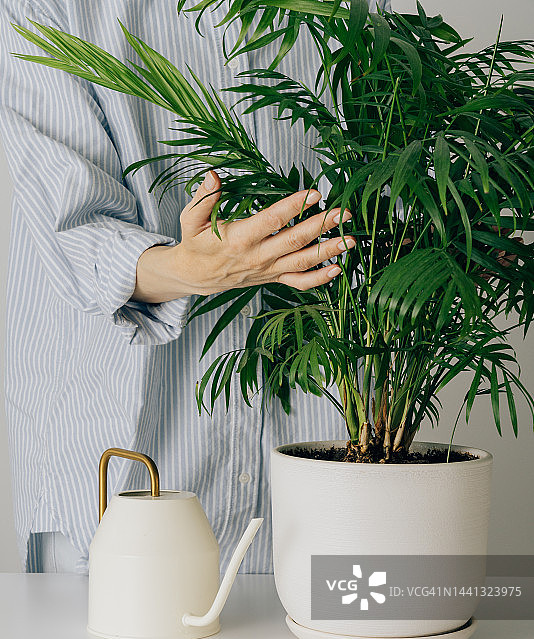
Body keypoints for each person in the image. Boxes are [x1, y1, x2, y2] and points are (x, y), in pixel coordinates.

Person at [0, 0, 390, 575]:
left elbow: (387, 176)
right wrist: (195, 269)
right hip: (125, 455)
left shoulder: (350, 9)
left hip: (323, 451)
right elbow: (74, 234)